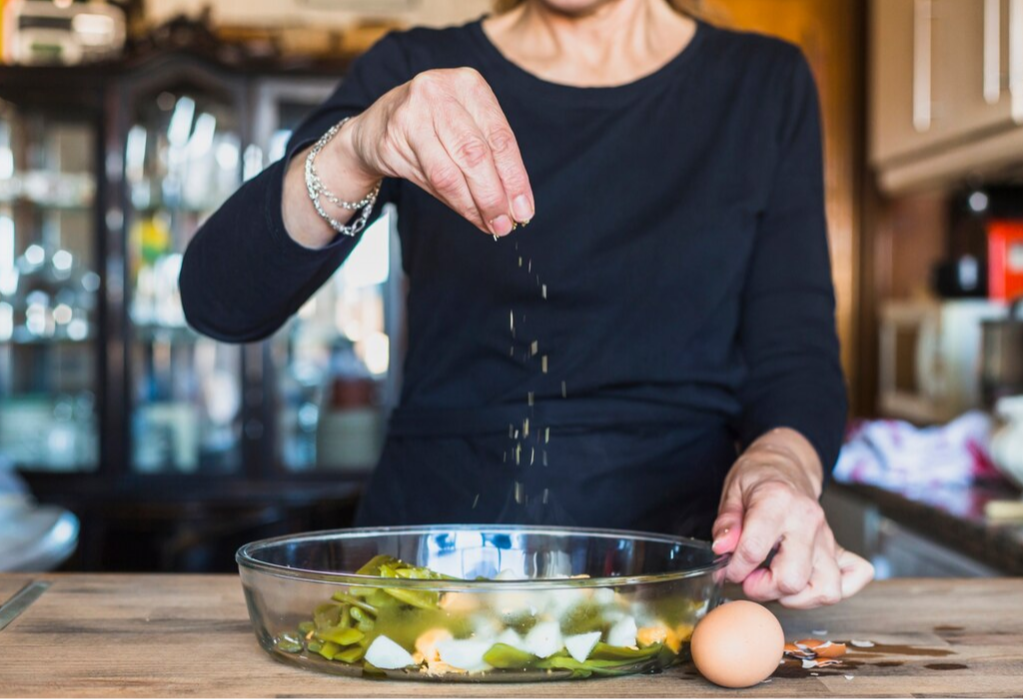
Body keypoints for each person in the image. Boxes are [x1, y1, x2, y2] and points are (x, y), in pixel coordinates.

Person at [180, 0, 874, 608]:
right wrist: (359, 145)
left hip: (675, 572)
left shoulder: (763, 83)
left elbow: (797, 357)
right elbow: (220, 298)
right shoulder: (416, 67)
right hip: (428, 576)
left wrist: (781, 465)